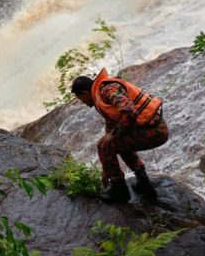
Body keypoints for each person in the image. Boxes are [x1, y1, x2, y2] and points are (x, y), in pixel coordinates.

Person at [71, 67, 169, 202]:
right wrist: (106, 170)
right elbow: (111, 126)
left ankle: (120, 191)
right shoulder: (101, 93)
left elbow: (129, 112)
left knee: (104, 146)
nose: (83, 103)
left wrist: (114, 134)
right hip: (153, 128)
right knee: (112, 143)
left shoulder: (107, 90)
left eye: (81, 99)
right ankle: (144, 184)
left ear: (85, 92)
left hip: (155, 131)